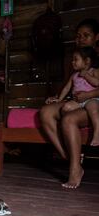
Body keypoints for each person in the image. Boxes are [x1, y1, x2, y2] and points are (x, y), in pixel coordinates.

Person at [40, 18, 99, 189]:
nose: (80, 39)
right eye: (78, 36)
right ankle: (70, 158)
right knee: (45, 112)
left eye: (86, 35)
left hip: (95, 102)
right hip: (78, 101)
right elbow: (71, 85)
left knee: (68, 120)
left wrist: (90, 94)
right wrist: (58, 98)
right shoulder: (75, 58)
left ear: (97, 37)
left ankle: (74, 169)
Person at [46, 47, 99, 143]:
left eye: (76, 59)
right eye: (72, 60)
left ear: (87, 61)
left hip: (92, 99)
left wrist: (87, 76)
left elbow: (97, 83)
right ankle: (69, 127)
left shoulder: (93, 71)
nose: (72, 62)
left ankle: (97, 133)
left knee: (93, 109)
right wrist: (59, 99)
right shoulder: (74, 75)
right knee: (66, 108)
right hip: (77, 101)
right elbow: (66, 88)